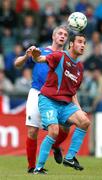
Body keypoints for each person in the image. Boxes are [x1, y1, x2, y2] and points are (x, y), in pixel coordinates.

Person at [31, 32, 91, 174]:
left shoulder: (80, 68)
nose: (82, 45)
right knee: (54, 131)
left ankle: (70, 157)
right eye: (79, 42)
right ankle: (38, 168)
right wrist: (34, 54)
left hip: (65, 104)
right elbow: (40, 58)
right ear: (71, 44)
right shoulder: (60, 56)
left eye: (84, 43)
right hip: (48, 100)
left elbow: (73, 92)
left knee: (84, 122)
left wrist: (79, 110)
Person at [14, 25, 69, 173]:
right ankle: (32, 168)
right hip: (37, 93)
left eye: (65, 34)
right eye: (60, 33)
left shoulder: (67, 57)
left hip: (56, 96)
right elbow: (17, 64)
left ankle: (55, 145)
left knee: (65, 127)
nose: (62, 36)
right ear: (53, 36)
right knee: (32, 131)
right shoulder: (40, 51)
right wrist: (27, 55)